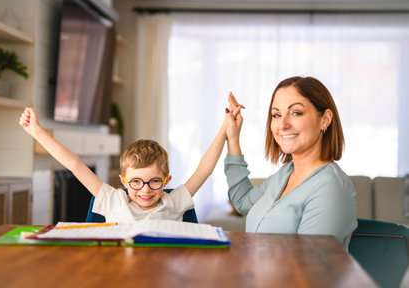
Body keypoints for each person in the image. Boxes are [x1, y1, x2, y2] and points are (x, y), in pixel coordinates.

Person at [19, 105, 241, 223]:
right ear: (123, 181)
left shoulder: (173, 202)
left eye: (154, 181)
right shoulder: (113, 200)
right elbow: (75, 165)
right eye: (136, 182)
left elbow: (205, 168)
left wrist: (225, 126)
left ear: (166, 180)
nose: (145, 190)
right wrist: (36, 132)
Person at [224, 76, 357, 250]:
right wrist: (233, 138)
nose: (283, 124)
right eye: (276, 115)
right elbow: (242, 202)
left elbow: (306, 266)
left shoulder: (331, 187)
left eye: (296, 112)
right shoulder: (285, 174)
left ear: (325, 119)